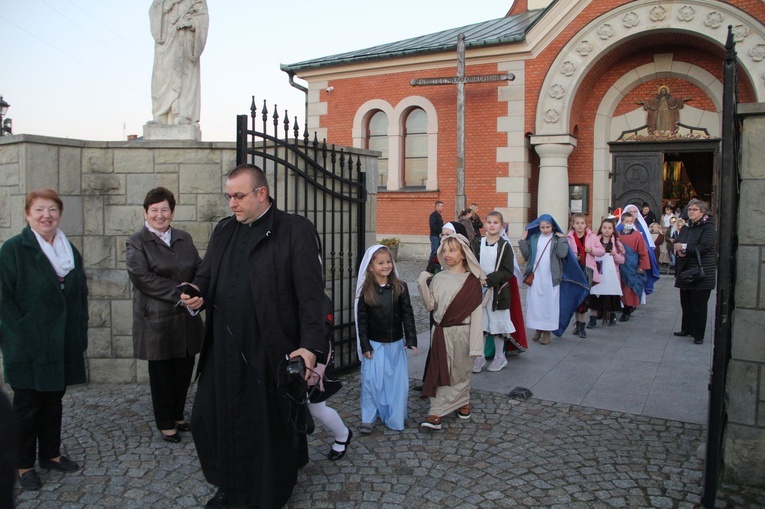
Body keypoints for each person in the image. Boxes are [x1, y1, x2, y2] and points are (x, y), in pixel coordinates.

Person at [181, 164, 326, 508]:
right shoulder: (223, 231)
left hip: (269, 348)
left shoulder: (294, 230)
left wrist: (310, 347)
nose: (232, 203)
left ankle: (267, 493)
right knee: (209, 417)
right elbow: (206, 275)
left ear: (261, 194)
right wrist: (195, 292)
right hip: (223, 347)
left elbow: (311, 295)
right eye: (228, 196)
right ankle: (230, 484)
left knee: (264, 425)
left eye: (238, 196)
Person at [0, 189, 88, 491]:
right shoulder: (13, 250)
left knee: (54, 402)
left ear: (59, 214)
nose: (46, 215)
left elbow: (80, 297)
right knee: (27, 407)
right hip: (28, 345)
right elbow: (3, 301)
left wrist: (80, 332)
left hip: (62, 343)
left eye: (52, 209)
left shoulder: (69, 251)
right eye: (39, 210)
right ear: (28, 214)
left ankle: (50, 454)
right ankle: (22, 464)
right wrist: (21, 335)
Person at [125, 187, 204, 444]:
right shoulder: (137, 241)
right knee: (161, 374)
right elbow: (142, 278)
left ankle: (178, 414)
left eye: (165, 210)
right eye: (154, 210)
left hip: (186, 317)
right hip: (156, 320)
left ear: (172, 212)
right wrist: (180, 292)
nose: (160, 215)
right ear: (146, 212)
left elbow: (198, 267)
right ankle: (165, 421)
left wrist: (197, 290)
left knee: (184, 369)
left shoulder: (184, 238)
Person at [417, 234, 485, 430]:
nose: (447, 254)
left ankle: (463, 401)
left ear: (464, 254)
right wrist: (423, 283)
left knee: (461, 370)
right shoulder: (438, 278)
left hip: (463, 333)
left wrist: (475, 345)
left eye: (452, 250)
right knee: (440, 370)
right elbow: (431, 306)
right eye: (444, 250)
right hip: (441, 333)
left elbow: (477, 315)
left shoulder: (472, 282)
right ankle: (435, 411)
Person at [355, 245, 418, 433]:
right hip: (375, 345)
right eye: (380, 263)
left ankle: (395, 415)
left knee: (397, 383)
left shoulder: (400, 288)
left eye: (388, 262)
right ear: (371, 266)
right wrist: (365, 345)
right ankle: (369, 417)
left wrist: (411, 339)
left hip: (396, 345)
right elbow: (362, 321)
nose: (386, 266)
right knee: (371, 382)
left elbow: (408, 314)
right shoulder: (366, 292)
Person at [471, 211, 526, 373]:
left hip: (498, 292)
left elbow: (507, 271)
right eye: (489, 222)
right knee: (481, 324)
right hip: (479, 291)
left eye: (496, 222)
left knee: (498, 325)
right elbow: (472, 263)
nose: (492, 225)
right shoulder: (477, 243)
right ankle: (479, 356)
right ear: (485, 225)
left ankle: (500, 357)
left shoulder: (505, 246)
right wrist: (478, 279)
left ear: (502, 226)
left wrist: (488, 279)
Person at [519, 215, 582, 345]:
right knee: (536, 303)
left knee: (549, 304)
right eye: (542, 227)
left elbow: (562, 254)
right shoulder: (535, 238)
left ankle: (547, 331)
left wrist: (563, 240)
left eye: (548, 227)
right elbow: (527, 255)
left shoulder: (556, 239)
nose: (545, 230)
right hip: (536, 276)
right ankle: (538, 328)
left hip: (551, 277)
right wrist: (522, 241)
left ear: (552, 226)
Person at [149, 0, 209, 126]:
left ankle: (184, 114)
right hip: (165, 43)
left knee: (185, 76)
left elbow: (203, 18)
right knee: (162, 75)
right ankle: (161, 114)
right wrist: (166, 6)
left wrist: (192, 23)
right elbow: (154, 10)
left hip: (185, 41)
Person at [308, 295, 351, 461]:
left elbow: (324, 334)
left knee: (316, 408)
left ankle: (342, 434)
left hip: (313, 364)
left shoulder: (321, 300)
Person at [673, 199, 716, 344]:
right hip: (685, 271)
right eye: (690, 209)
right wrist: (678, 250)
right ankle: (687, 329)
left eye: (695, 209)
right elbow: (677, 242)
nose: (691, 211)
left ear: (702, 212)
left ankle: (698, 334)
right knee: (686, 304)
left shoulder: (708, 227)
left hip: (701, 271)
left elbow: (706, 246)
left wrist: (684, 248)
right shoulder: (686, 226)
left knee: (699, 306)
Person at [566, 213, 605, 336]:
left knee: (584, 300)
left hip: (587, 271)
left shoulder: (591, 236)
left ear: (586, 224)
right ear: (573, 224)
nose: (580, 226)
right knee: (577, 300)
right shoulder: (569, 238)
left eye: (582, 223)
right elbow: (564, 254)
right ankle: (577, 325)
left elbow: (601, 251)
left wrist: (592, 250)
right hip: (575, 271)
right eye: (577, 223)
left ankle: (582, 326)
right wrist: (573, 256)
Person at [589, 218, 625, 326]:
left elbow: (622, 260)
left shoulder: (617, 244)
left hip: (611, 274)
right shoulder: (595, 241)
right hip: (598, 273)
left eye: (609, 228)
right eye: (604, 228)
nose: (607, 230)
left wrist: (615, 255)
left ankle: (612, 314)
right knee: (595, 294)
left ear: (613, 230)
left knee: (611, 294)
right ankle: (593, 318)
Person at [617, 212, 651, 322]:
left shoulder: (637, 235)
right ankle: (622, 307)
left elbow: (643, 252)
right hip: (620, 265)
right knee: (621, 288)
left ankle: (627, 309)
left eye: (631, 221)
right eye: (627, 221)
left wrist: (642, 266)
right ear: (622, 222)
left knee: (629, 289)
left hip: (632, 265)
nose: (629, 223)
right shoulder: (617, 235)